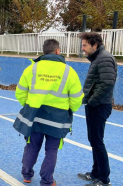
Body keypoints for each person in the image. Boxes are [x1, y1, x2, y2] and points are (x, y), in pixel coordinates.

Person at [13, 39, 84, 186]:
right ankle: (47, 181)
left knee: (31, 146)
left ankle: (27, 175)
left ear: (44, 51)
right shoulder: (68, 71)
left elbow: (20, 92)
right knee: (51, 151)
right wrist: (69, 110)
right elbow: (77, 98)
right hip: (58, 118)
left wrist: (29, 106)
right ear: (58, 51)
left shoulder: (32, 69)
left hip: (35, 116)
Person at [77, 32, 117, 186]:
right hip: (95, 105)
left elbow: (107, 84)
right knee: (94, 140)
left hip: (99, 106)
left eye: (85, 45)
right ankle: (95, 173)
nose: (83, 49)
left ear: (95, 45)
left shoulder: (104, 58)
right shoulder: (98, 58)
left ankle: (104, 179)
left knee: (97, 142)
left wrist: (93, 101)